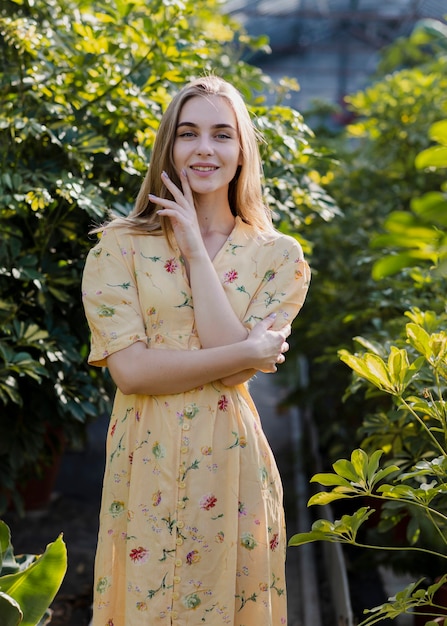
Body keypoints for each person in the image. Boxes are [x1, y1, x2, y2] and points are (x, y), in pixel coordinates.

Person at [82, 74, 310, 626]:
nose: (204, 148)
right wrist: (245, 351)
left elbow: (234, 375)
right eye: (188, 133)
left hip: (230, 463)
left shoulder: (279, 257)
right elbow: (132, 373)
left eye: (221, 135)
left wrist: (194, 250)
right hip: (143, 455)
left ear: (241, 153)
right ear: (170, 146)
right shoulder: (118, 247)